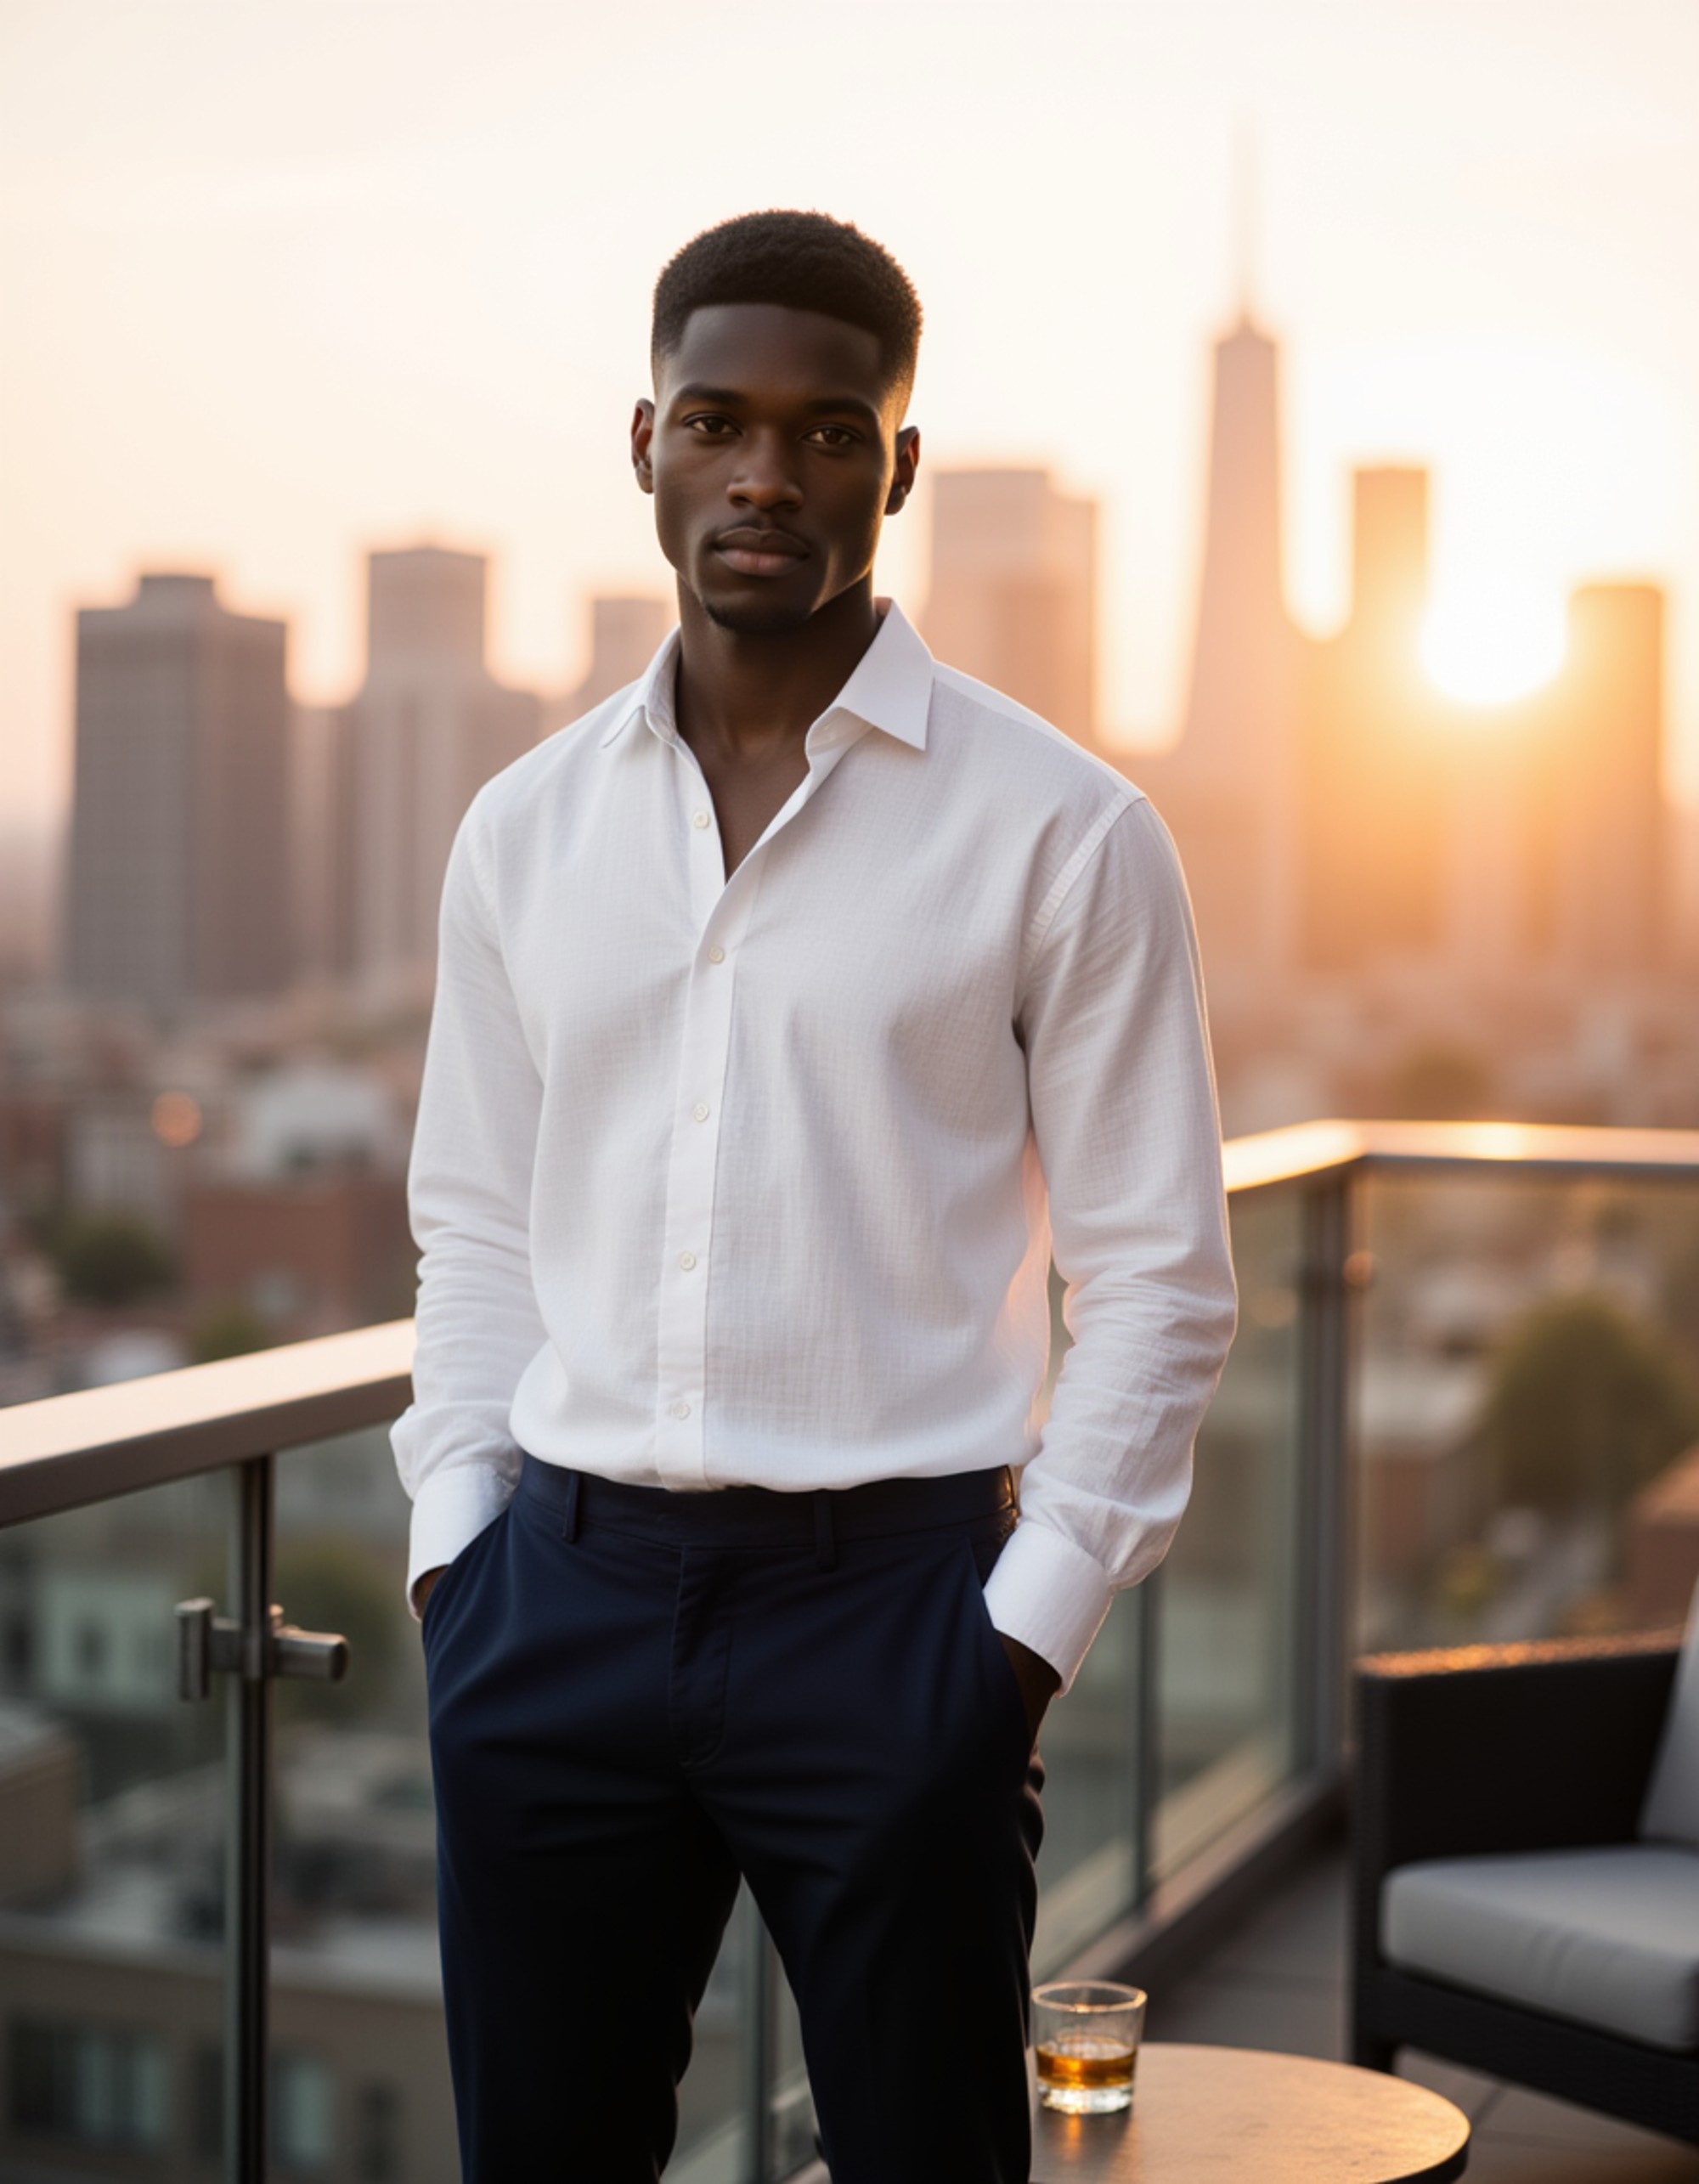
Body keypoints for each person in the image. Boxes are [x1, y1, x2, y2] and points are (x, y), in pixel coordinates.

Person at [392, 207, 1237, 2184]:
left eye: (829, 429)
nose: (767, 471)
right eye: (717, 419)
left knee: (927, 2160)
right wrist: (456, 1566)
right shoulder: (519, 832)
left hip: (898, 1616)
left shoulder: (1066, 831)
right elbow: (478, 1228)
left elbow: (1160, 1285)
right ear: (644, 444)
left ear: (900, 466)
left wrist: (1011, 1646)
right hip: (555, 1606)